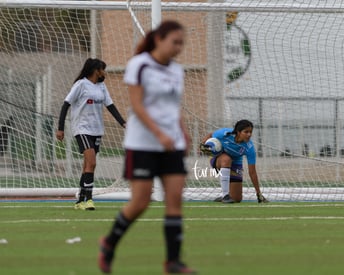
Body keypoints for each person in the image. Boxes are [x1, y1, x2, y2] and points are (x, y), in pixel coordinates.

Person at [98, 21, 196, 274]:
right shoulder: (139, 65)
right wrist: (159, 133)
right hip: (142, 144)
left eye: (181, 43)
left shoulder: (176, 70)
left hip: (170, 144)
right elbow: (137, 107)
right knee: (141, 202)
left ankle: (172, 262)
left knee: (175, 200)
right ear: (159, 39)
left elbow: (174, 107)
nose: (178, 47)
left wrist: (182, 134)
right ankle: (109, 243)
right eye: (175, 42)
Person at [56, 58, 126, 210]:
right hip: (82, 129)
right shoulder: (81, 85)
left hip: (97, 130)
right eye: (103, 69)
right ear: (96, 70)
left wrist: (123, 123)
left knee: (88, 165)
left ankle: (80, 201)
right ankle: (88, 199)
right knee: (92, 162)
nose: (104, 72)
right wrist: (60, 127)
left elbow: (110, 106)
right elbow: (66, 104)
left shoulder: (101, 87)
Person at [200, 119, 269, 203]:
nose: (249, 135)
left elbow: (252, 172)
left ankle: (223, 197)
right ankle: (225, 195)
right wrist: (202, 144)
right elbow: (211, 135)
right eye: (246, 132)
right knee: (226, 159)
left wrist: (258, 193)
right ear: (238, 132)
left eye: (250, 132)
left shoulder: (249, 148)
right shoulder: (224, 134)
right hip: (218, 159)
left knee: (236, 199)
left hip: (235, 163)